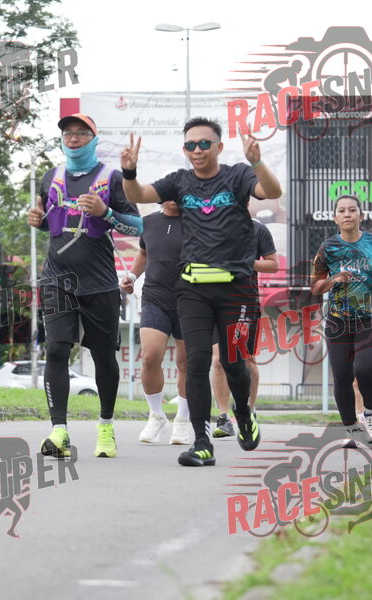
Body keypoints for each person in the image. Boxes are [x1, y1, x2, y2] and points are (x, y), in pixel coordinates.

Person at [120, 117, 282, 467]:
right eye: (191, 145)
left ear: (219, 147)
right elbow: (139, 195)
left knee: (234, 363)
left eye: (204, 144)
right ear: (184, 149)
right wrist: (129, 172)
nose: (197, 150)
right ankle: (202, 442)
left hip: (236, 290)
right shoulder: (179, 181)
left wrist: (257, 161)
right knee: (196, 362)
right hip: (193, 289)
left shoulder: (238, 175)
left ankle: (243, 413)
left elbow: (272, 192)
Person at [28, 113, 143, 459]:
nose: (74, 138)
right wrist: (38, 221)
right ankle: (59, 430)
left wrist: (106, 212)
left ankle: (105, 426)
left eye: (81, 133)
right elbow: (51, 221)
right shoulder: (51, 177)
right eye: (68, 133)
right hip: (57, 280)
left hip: (100, 284)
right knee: (57, 350)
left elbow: (138, 227)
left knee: (103, 356)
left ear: (94, 139)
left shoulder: (112, 178)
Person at [311, 195, 372, 447]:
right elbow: (315, 286)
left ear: (361, 215)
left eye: (352, 210)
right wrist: (333, 280)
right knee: (342, 376)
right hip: (339, 320)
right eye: (341, 211)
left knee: (365, 368)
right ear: (335, 218)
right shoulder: (327, 248)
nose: (347, 214)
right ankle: (351, 428)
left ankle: (370, 412)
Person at [120, 201, 191, 445]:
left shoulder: (196, 221)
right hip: (154, 298)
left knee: (186, 363)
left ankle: (182, 420)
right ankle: (157, 415)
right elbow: (143, 252)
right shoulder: (148, 223)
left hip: (190, 300)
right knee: (150, 357)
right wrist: (131, 276)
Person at [211, 218, 279, 436]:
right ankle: (223, 418)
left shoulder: (258, 229)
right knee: (218, 360)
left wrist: (245, 262)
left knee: (246, 360)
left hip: (245, 301)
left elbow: (273, 264)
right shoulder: (210, 225)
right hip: (214, 300)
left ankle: (249, 410)